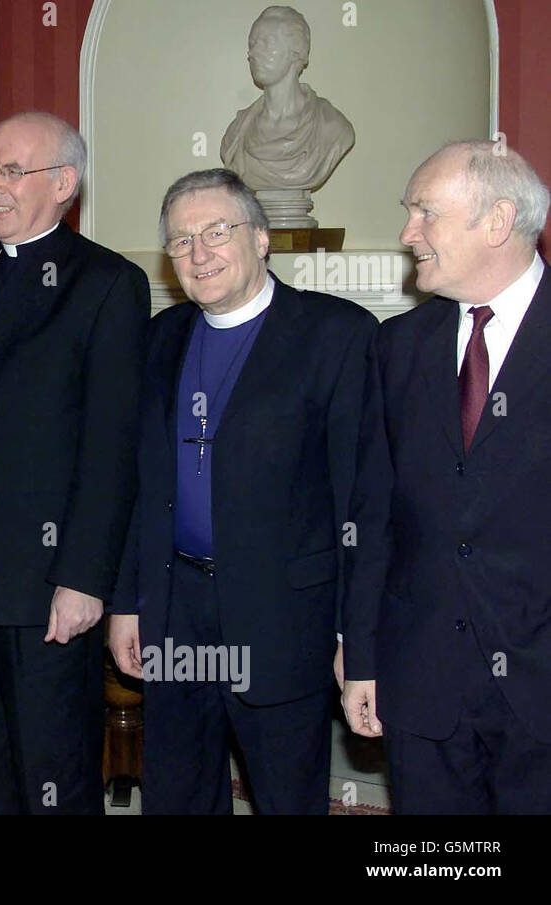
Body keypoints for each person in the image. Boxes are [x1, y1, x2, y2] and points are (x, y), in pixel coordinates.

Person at [108, 168, 377, 814]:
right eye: (180, 241)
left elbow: (360, 500)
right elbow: (137, 485)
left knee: (286, 796)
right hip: (176, 609)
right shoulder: (161, 338)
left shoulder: (337, 335)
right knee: (178, 793)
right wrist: (126, 600)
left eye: (216, 231)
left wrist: (356, 638)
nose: (197, 253)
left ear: (260, 239)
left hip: (284, 616)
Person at [0, 112, 149, 814]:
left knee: (55, 776)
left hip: (47, 589)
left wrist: (83, 579)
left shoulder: (107, 284)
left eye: (14, 171)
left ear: (65, 183)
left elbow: (113, 450)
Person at [342, 140, 551, 813]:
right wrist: (361, 652)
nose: (407, 234)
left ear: (496, 221)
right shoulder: (399, 346)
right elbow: (373, 515)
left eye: (425, 213)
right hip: (422, 683)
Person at [220, 5, 354, 192]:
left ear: (296, 51)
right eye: (253, 44)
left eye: (267, 43)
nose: (254, 53)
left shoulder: (332, 127)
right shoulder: (237, 134)